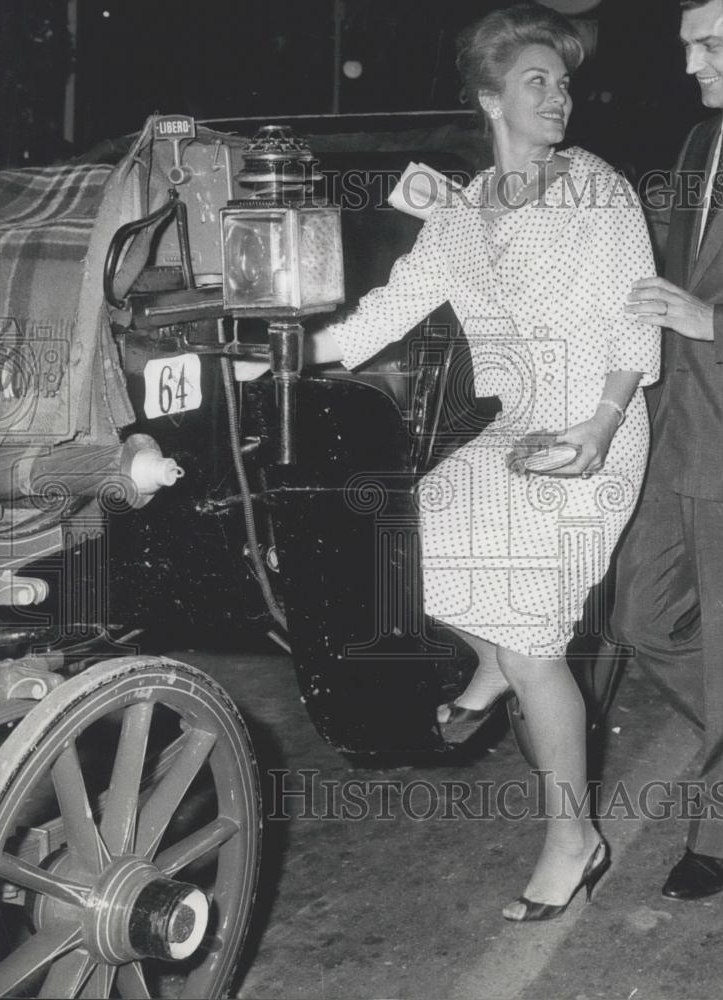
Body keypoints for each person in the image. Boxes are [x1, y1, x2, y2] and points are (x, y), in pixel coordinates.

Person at [308, 3, 660, 921]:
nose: (559, 97)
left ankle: (570, 839)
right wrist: (300, 353)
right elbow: (399, 300)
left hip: (596, 426)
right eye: (536, 81)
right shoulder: (465, 212)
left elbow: (635, 314)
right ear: (489, 99)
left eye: (565, 82)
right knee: (400, 537)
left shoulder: (595, 187)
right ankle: (497, 661)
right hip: (517, 429)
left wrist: (600, 421)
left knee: (533, 639)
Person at [612, 0, 723, 901]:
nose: (691, 65)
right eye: (687, 44)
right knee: (640, 622)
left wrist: (709, 321)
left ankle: (715, 832)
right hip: (676, 429)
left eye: (711, 45)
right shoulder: (698, 145)